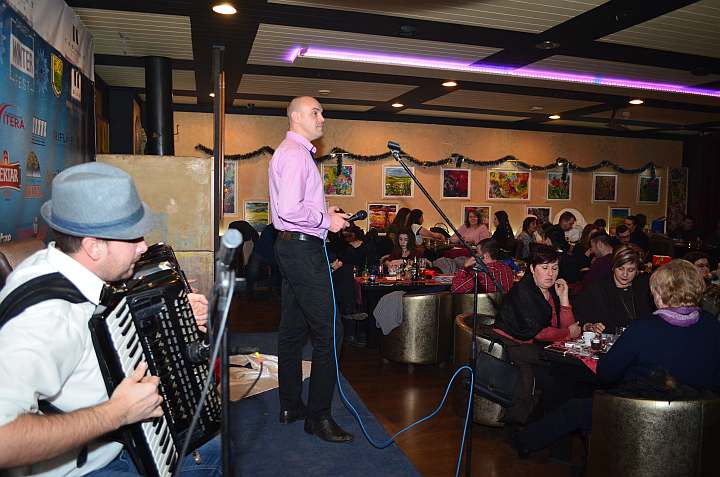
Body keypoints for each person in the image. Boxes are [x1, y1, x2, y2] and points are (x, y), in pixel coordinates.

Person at [0, 162, 220, 475]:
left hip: (114, 442)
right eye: (132, 239)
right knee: (217, 455)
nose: (143, 246)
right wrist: (116, 414)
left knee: (218, 441)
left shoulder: (65, 266)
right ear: (93, 247)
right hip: (87, 467)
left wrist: (178, 317)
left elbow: (110, 333)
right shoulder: (46, 319)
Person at [514, 259, 720, 455]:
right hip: (699, 417)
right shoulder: (712, 325)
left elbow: (607, 373)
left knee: (575, 406)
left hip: (638, 414)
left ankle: (525, 443)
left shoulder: (644, 328)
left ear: (660, 293)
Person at [268, 96, 353, 443]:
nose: (322, 118)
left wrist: (323, 212)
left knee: (292, 331)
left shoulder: (294, 152)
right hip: (302, 250)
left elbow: (292, 208)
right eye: (315, 112)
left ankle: (291, 405)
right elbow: (289, 210)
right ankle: (318, 417)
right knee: (331, 334)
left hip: (292, 246)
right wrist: (326, 221)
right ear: (296, 117)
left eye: (321, 112)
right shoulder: (294, 155)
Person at [492, 245, 582, 423]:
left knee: (566, 372)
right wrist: (567, 333)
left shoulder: (550, 291)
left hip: (533, 346)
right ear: (532, 269)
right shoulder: (523, 292)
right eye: (545, 268)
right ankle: (542, 423)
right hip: (510, 345)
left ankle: (552, 421)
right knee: (559, 374)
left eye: (554, 268)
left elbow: (565, 328)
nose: (550, 274)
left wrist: (564, 299)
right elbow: (540, 332)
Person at [574, 245, 655, 332]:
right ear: (613, 267)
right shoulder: (597, 289)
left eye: (630, 270)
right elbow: (579, 317)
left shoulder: (644, 287)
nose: (625, 274)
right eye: (621, 269)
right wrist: (588, 326)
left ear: (637, 271)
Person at [450, 239, 515, 294]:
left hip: (482, 305)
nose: (475, 255)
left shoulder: (480, 273)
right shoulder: (507, 269)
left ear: (485, 256)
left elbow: (455, 289)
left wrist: (464, 267)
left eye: (477, 252)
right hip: (504, 304)